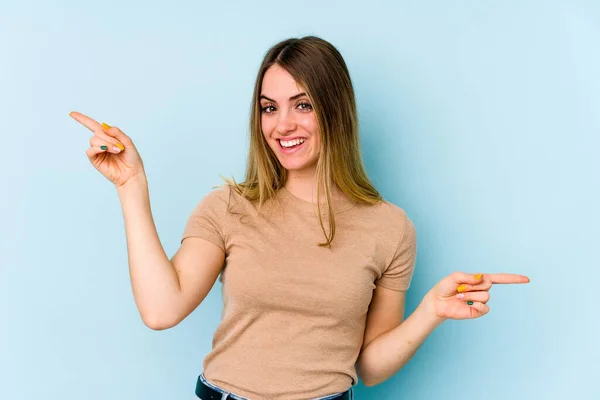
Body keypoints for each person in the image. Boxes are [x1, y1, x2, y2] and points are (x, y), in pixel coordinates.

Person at [69, 36, 530, 400]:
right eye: (270, 107)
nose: (282, 124)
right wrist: (131, 186)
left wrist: (430, 311)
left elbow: (368, 368)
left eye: (302, 104)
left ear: (335, 111)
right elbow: (161, 309)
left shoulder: (391, 228)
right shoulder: (228, 207)